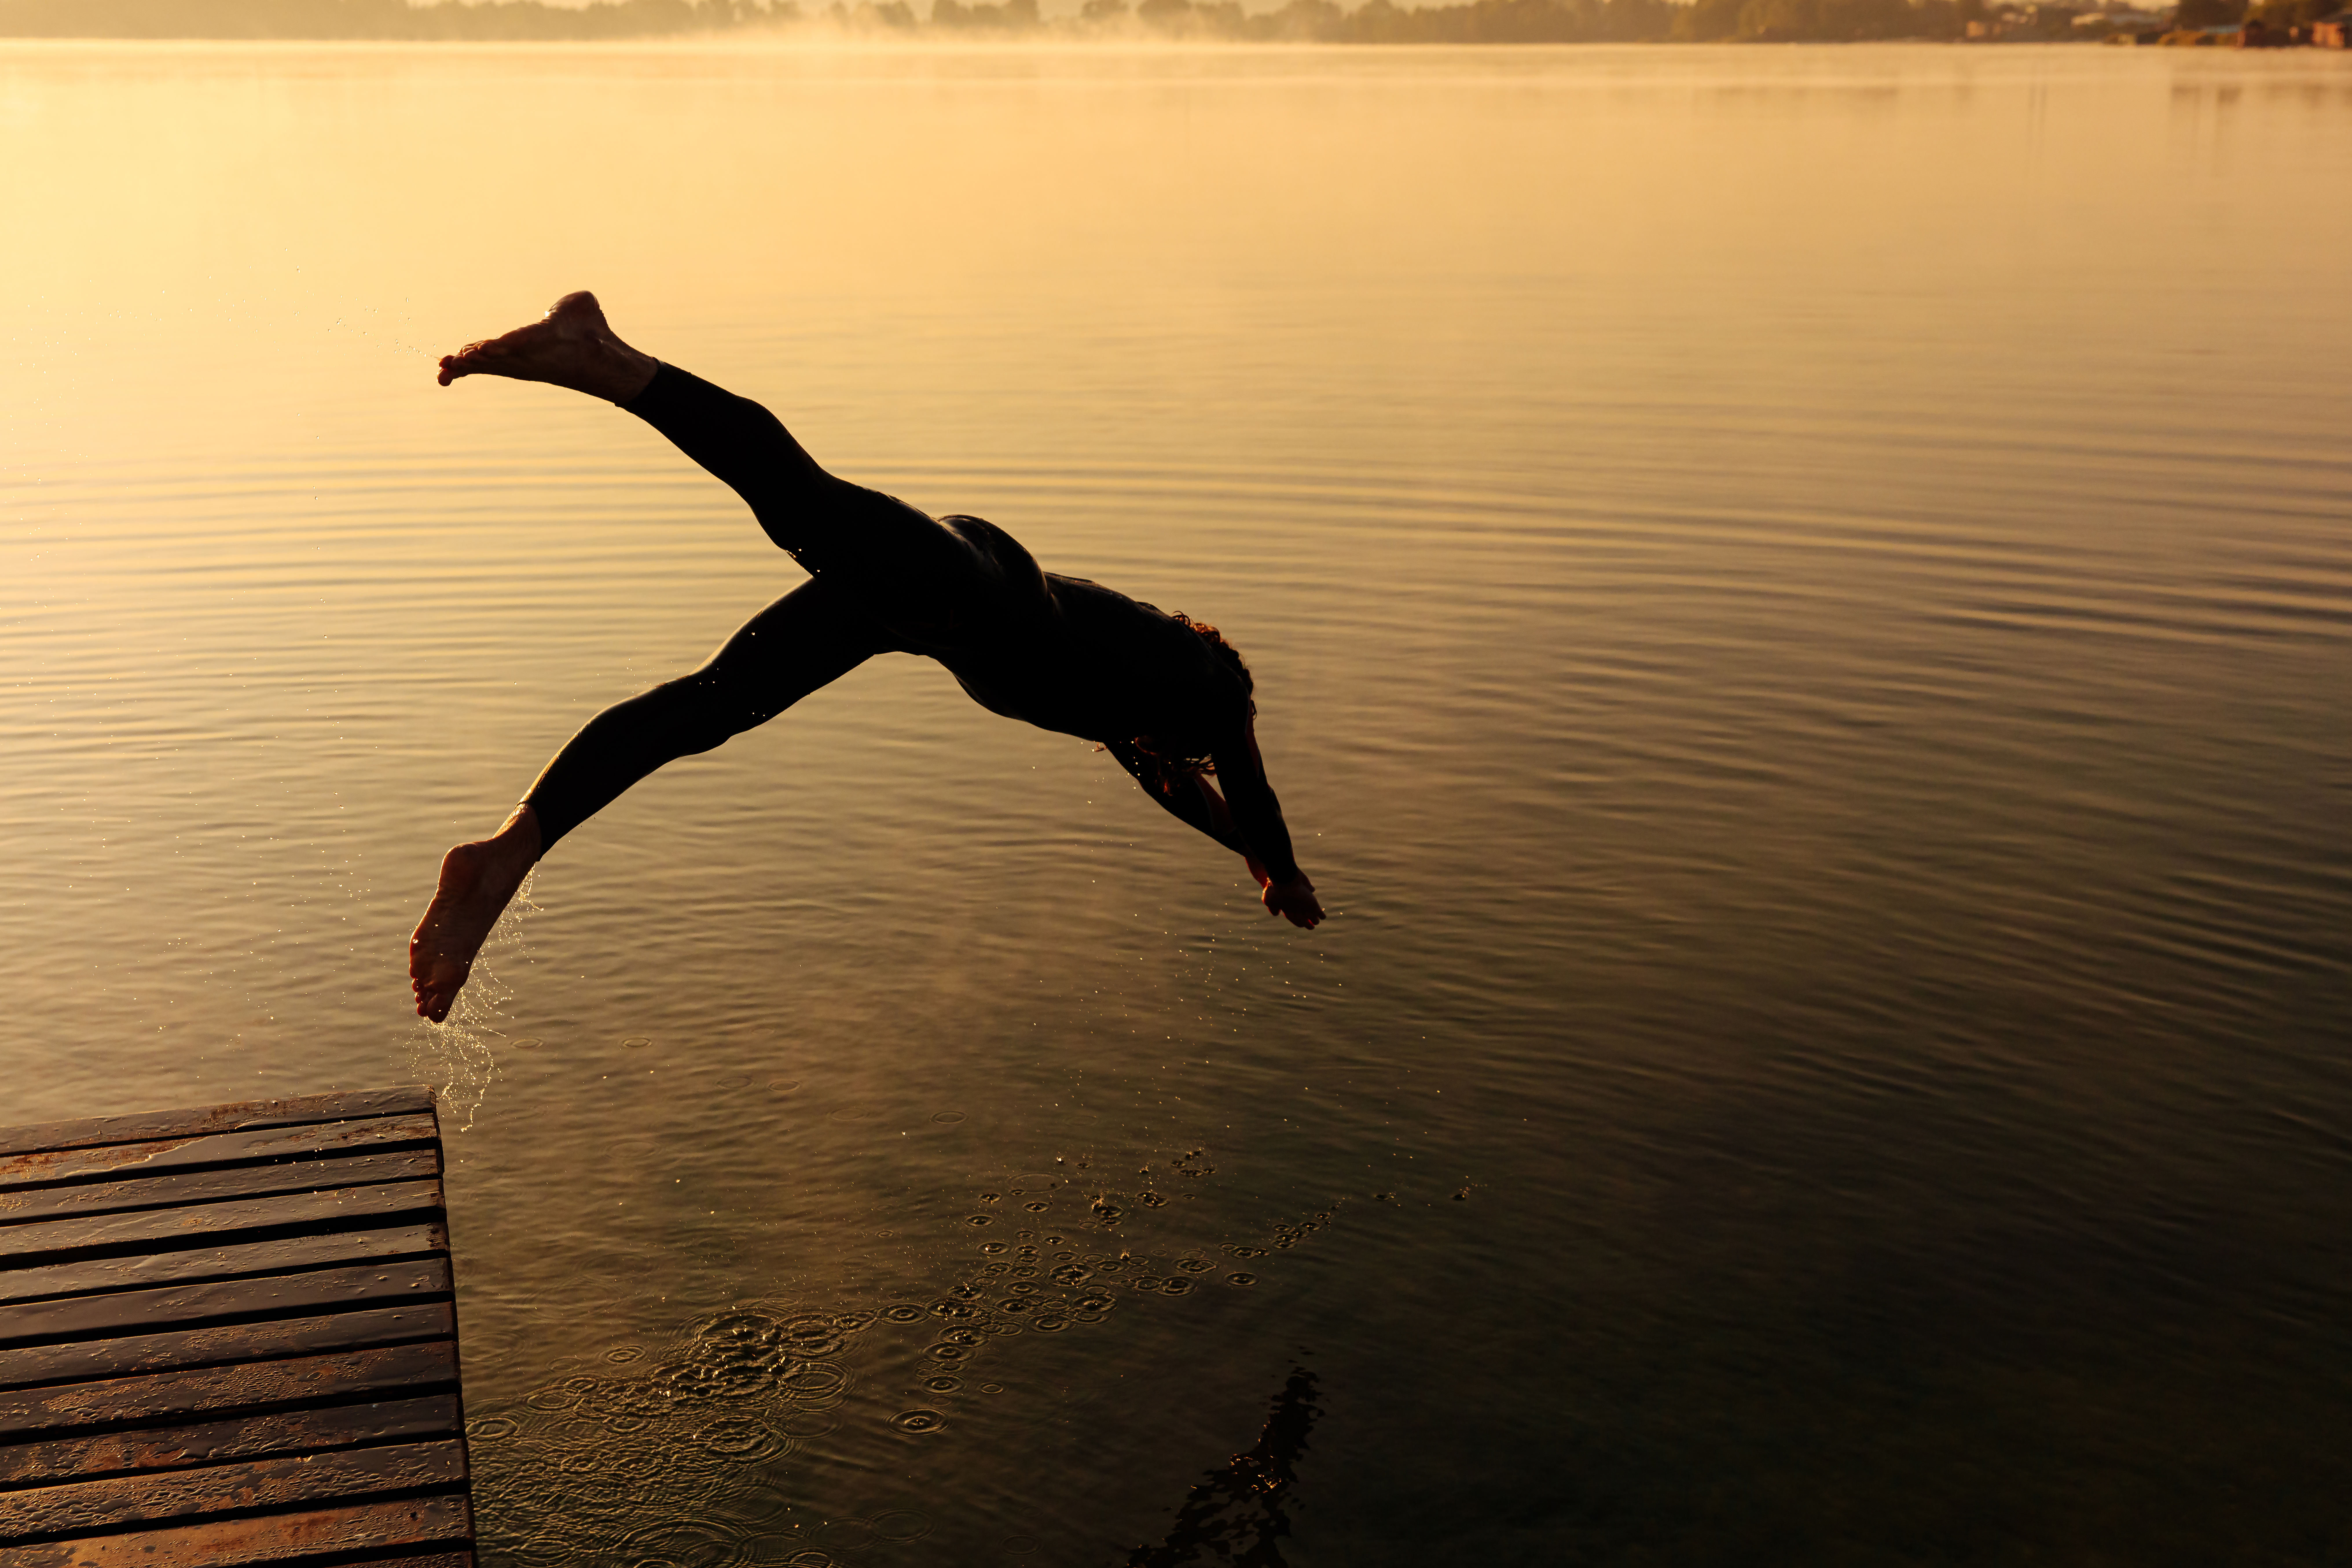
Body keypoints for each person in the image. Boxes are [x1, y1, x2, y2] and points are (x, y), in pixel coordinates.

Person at [409, 293, 1324, 1023]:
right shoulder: (1211, 690)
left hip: (920, 610)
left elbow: (1181, 787)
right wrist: (1278, 865)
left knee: (716, 701)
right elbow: (1244, 780)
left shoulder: (1131, 710)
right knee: (798, 498)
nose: (1192, 758)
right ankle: (605, 359)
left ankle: (507, 853)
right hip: (971, 586)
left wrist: (1246, 854)